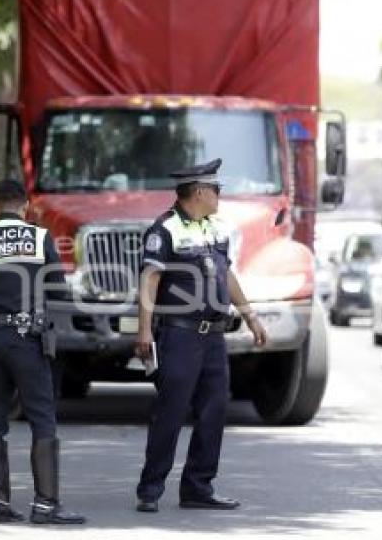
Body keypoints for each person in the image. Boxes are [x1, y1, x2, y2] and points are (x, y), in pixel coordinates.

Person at [134, 158, 268, 513]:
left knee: (214, 410)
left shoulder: (216, 228)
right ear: (198, 192)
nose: (219, 194)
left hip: (212, 337)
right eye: (215, 189)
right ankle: (150, 489)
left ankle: (198, 486)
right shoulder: (164, 230)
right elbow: (150, 279)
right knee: (171, 411)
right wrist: (144, 329)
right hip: (178, 336)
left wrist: (250, 315)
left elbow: (226, 275)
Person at [0, 179, 85, 525]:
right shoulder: (40, 238)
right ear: (26, 206)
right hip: (26, 338)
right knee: (42, 417)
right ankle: (46, 505)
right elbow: (57, 290)